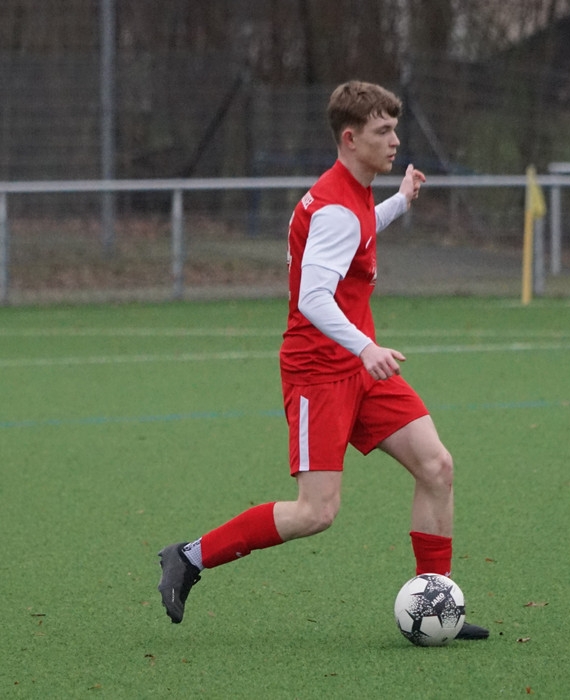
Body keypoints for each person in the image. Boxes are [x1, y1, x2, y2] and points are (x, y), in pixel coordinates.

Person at [157, 80, 488, 641]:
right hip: (320, 373)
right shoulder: (336, 208)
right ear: (350, 138)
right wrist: (365, 346)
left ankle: (436, 605)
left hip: (360, 366)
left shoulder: (351, 194)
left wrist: (400, 202)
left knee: (437, 467)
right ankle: (188, 557)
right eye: (383, 131)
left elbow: (358, 231)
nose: (395, 141)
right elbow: (313, 297)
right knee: (316, 512)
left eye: (395, 129)